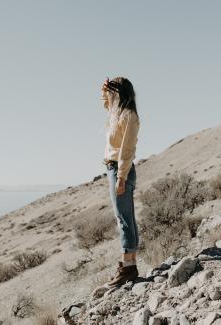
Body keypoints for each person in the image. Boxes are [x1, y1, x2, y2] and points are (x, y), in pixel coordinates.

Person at [101, 76, 140, 287]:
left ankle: (127, 267)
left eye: (113, 92)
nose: (110, 96)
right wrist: (104, 90)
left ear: (120, 93)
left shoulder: (128, 116)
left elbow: (127, 150)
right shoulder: (117, 113)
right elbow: (106, 103)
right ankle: (129, 265)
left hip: (119, 169)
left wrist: (122, 177)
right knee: (125, 218)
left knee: (124, 220)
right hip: (113, 169)